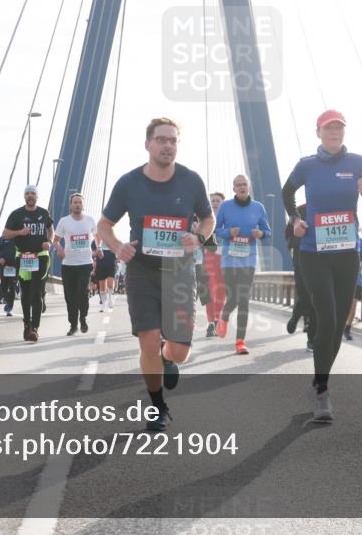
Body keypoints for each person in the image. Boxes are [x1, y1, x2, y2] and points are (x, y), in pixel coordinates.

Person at [98, 117, 213, 432]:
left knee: (179, 351)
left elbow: (208, 219)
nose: (167, 145)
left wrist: (199, 238)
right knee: (147, 342)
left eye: (173, 140)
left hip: (179, 274)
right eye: (161, 139)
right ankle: (158, 407)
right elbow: (104, 226)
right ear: (148, 144)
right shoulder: (129, 183)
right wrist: (118, 246)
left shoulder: (191, 181)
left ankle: (168, 358)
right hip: (142, 273)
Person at [282, 109, 362, 423]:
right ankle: (322, 391)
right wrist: (296, 219)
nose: (335, 133)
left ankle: (318, 381)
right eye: (329, 128)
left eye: (339, 128)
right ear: (319, 132)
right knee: (325, 315)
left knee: (337, 323)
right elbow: (287, 192)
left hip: (346, 253)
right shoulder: (306, 165)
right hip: (313, 252)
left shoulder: (358, 163)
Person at [214, 175, 271, 354]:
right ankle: (224, 316)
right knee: (233, 298)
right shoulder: (225, 206)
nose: (241, 187)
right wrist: (228, 232)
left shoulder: (258, 207)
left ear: (249, 187)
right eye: (238, 185)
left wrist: (260, 234)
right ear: (234, 189)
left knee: (244, 299)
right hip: (229, 260)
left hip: (248, 258)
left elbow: (267, 231)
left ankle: (240, 341)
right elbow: (217, 230)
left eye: (244, 184)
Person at [4, 185, 54, 342]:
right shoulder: (17, 214)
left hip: (40, 257)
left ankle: (34, 328)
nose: (30, 196)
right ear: (24, 197)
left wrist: (50, 241)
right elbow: (5, 234)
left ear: (37, 197)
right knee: (25, 293)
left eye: (33, 193)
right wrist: (19, 232)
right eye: (27, 193)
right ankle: (26, 325)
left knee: (37, 292)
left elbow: (51, 229)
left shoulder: (43, 213)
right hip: (24, 258)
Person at [55, 192, 98, 335]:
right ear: (70, 205)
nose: (77, 205)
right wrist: (59, 249)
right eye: (75, 202)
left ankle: (83, 318)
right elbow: (55, 240)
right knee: (70, 297)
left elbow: (98, 236)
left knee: (82, 293)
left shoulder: (90, 220)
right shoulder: (64, 221)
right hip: (68, 265)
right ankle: (73, 325)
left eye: (80, 202)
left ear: (83, 205)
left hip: (85, 263)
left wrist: (98, 248)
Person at [285, 203, 316, 352]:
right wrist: (299, 237)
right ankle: (296, 314)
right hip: (301, 259)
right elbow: (288, 238)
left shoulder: (330, 208)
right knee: (305, 296)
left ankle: (312, 339)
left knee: (317, 299)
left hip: (323, 261)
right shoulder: (299, 211)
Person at [203, 192, 226, 336]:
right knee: (209, 291)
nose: (215, 203)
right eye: (213, 201)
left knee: (220, 291)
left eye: (218, 201)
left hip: (224, 257)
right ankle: (211, 322)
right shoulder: (204, 219)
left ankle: (218, 318)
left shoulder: (229, 219)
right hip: (208, 257)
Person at [343, 231, 362, 340]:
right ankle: (339, 326)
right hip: (341, 278)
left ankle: (347, 328)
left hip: (357, 279)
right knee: (341, 304)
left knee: (353, 304)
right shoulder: (341, 241)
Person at [0, 235, 19, 317]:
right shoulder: (3, 237)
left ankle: (9, 307)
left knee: (12, 287)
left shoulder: (20, 237)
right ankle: (6, 300)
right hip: (4, 267)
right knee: (4, 286)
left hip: (15, 266)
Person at [96, 246, 118, 311]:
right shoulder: (97, 238)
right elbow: (93, 251)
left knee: (110, 283)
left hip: (111, 262)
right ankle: (103, 303)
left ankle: (110, 298)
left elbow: (117, 248)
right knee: (102, 287)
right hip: (101, 263)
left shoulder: (112, 237)